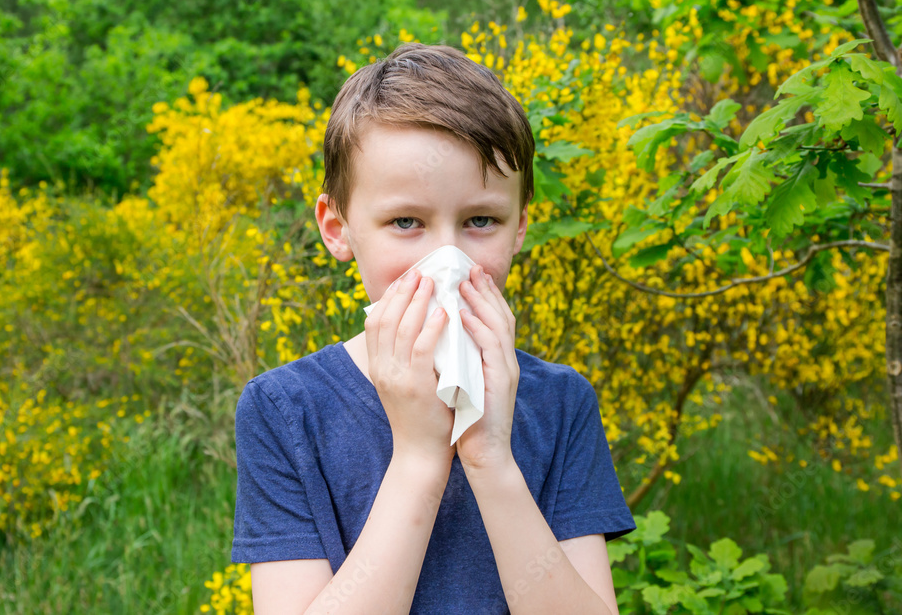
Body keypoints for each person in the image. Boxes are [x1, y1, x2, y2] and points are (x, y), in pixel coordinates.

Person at [230, 42, 636, 614]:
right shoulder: (284, 409)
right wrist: (419, 459)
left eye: (480, 220)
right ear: (338, 228)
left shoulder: (560, 403)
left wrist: (490, 458)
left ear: (520, 227)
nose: (448, 259)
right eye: (406, 221)